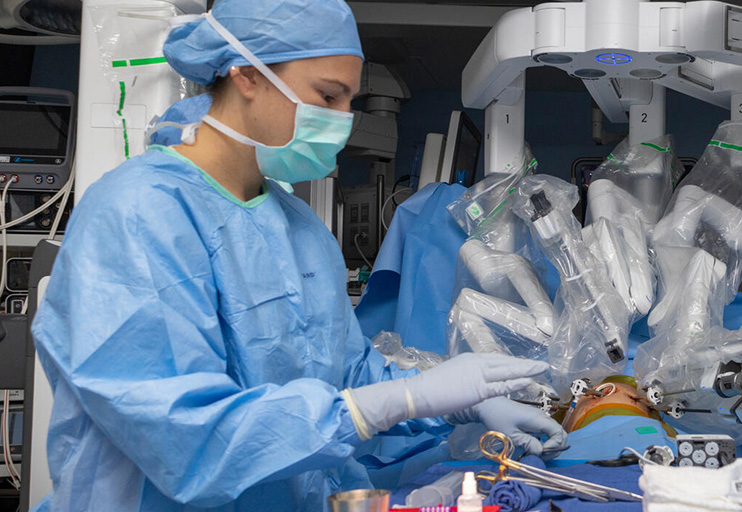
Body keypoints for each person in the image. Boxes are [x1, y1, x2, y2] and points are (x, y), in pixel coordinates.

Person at [30, 0, 566, 510]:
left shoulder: (296, 225)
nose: (343, 119)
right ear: (247, 76)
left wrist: (451, 401)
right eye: (328, 96)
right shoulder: (137, 213)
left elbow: (346, 370)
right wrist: (394, 403)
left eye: (349, 101)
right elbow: (181, 436)